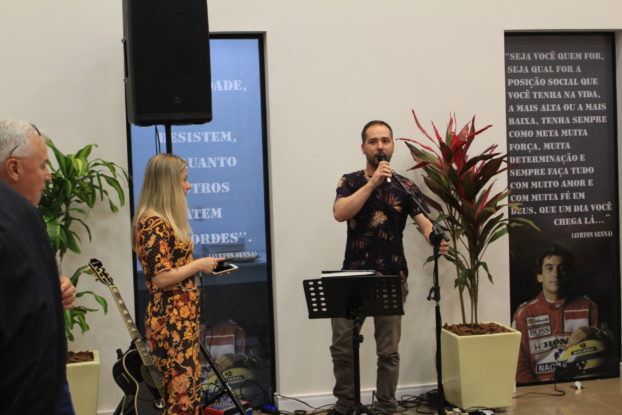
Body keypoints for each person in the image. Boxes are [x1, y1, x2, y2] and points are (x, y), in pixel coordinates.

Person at [330, 120, 449, 415]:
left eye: (385, 140)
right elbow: (340, 213)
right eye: (373, 141)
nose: (380, 146)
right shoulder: (350, 181)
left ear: (392, 145)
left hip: (391, 276)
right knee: (342, 347)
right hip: (353, 275)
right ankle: (345, 404)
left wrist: (435, 239)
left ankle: (386, 407)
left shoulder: (404, 186)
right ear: (363, 148)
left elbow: (424, 222)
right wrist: (372, 183)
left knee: (388, 352)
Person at [132, 153, 223, 414]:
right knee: (178, 393)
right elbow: (161, 277)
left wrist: (202, 266)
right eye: (184, 179)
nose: (188, 185)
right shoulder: (153, 224)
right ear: (168, 183)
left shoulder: (160, 221)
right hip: (170, 320)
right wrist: (198, 264)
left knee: (186, 390)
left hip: (181, 318)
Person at [0, 120, 76, 414]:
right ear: (14, 168)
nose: (49, 175)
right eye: (43, 165)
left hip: (46, 381)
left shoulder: (28, 217)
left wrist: (56, 291)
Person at [512, 245, 600, 384]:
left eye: (562, 268)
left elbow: (609, 348)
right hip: (540, 392)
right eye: (549, 268)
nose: (556, 274)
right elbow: (518, 366)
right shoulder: (524, 313)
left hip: (583, 388)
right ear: (539, 276)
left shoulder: (588, 307)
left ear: (569, 273)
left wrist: (594, 332)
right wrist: (540, 391)